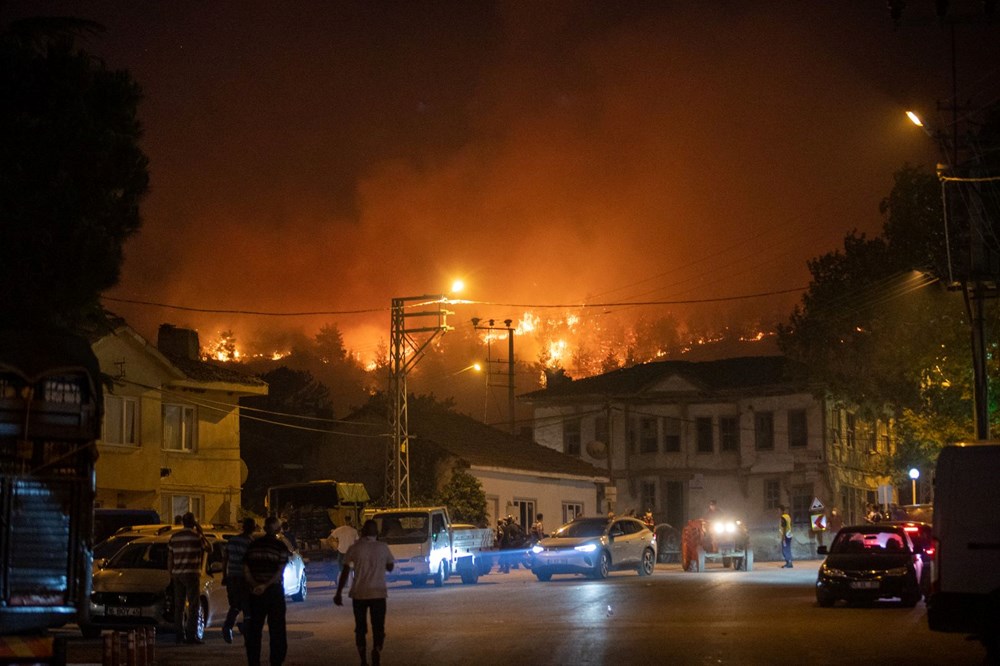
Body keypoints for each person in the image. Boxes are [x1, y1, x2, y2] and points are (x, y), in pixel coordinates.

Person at [334, 519, 395, 666]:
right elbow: (390, 567)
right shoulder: (383, 547)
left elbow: (345, 571)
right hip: (378, 593)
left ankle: (363, 659)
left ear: (362, 532)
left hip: (359, 593)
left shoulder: (354, 548)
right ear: (377, 533)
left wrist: (338, 592)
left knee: (360, 628)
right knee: (378, 626)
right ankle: (377, 649)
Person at [243, 515, 291, 666]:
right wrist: (266, 585)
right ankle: (276, 661)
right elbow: (279, 571)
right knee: (277, 629)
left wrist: (255, 585)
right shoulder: (280, 546)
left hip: (255, 593)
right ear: (278, 530)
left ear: (264, 528)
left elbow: (246, 569)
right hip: (273, 592)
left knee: (254, 629)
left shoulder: (253, 545)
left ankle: (253, 661)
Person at [167, 512, 210, 643]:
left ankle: (179, 635)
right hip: (191, 574)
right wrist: (201, 532)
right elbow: (209, 548)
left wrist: (171, 574)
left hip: (177, 574)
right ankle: (191, 635)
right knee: (193, 605)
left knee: (179, 606)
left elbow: (170, 558)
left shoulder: (174, 537)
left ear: (183, 522)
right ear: (193, 523)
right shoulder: (197, 537)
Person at [221, 517, 256, 644]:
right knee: (248, 608)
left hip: (232, 577)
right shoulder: (251, 543)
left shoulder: (232, 541)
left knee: (235, 605)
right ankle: (248, 637)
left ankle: (228, 626)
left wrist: (224, 575)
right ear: (253, 528)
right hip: (245, 578)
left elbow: (225, 559)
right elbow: (252, 562)